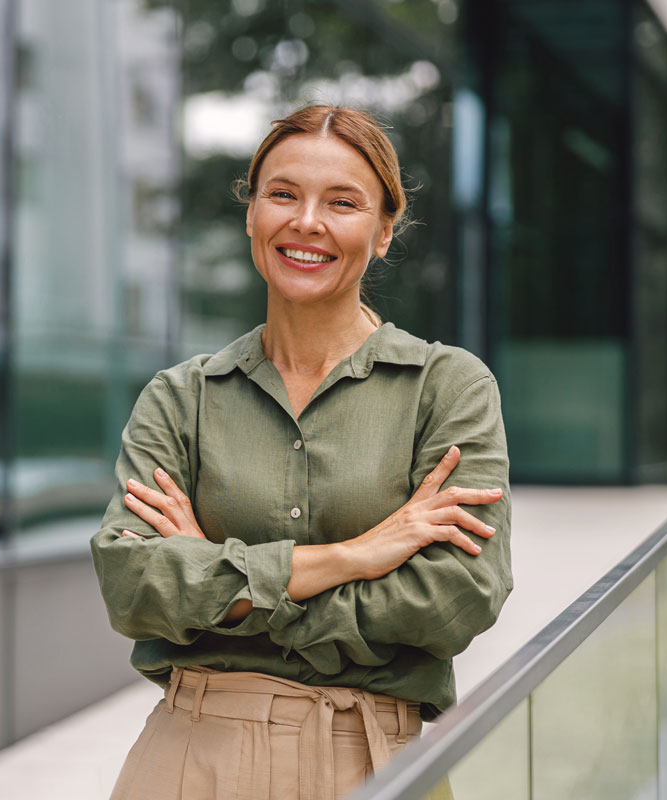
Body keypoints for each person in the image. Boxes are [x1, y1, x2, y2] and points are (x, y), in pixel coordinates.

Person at [90, 105, 512, 800]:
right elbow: (134, 586)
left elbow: (456, 598)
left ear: (382, 233)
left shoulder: (446, 388)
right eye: (282, 194)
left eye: (342, 203)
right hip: (193, 760)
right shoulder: (182, 397)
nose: (306, 222)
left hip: (374, 759)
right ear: (252, 213)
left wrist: (231, 586)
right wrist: (351, 557)